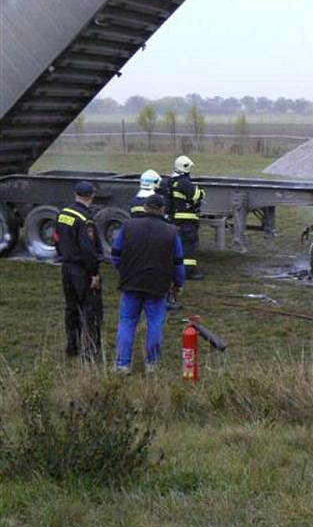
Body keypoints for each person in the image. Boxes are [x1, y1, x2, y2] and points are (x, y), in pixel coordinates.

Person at [111, 194, 185, 374]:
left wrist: (124, 271)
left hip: (131, 283)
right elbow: (178, 263)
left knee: (127, 322)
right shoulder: (171, 232)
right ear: (162, 209)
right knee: (155, 324)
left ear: (145, 208)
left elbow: (115, 255)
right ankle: (152, 364)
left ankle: (122, 364)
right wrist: (178, 284)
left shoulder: (128, 226)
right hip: (158, 286)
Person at [54, 181, 104, 361]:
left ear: (75, 194)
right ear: (91, 196)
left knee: (71, 308)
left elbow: (56, 239)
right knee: (91, 310)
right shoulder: (85, 219)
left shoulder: (62, 214)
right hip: (82, 270)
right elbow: (88, 249)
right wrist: (94, 273)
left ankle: (72, 345)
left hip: (66, 268)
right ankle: (90, 350)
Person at [164, 155, 205, 280]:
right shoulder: (184, 183)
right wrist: (201, 191)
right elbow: (197, 196)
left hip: (174, 219)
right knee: (188, 245)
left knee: (178, 245)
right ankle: (188, 272)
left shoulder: (171, 181)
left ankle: (174, 269)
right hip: (186, 220)